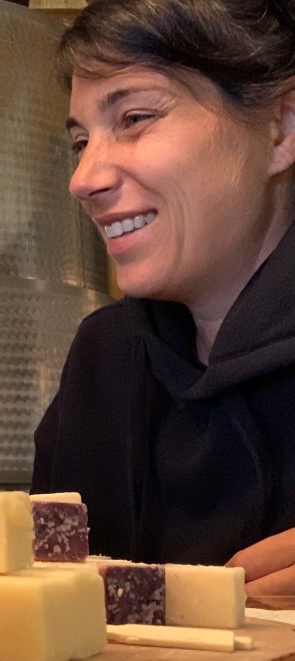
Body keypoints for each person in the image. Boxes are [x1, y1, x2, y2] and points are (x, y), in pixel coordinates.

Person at [31, 0, 295, 596]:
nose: (83, 179)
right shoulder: (104, 360)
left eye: (134, 118)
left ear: (281, 128)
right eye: (80, 141)